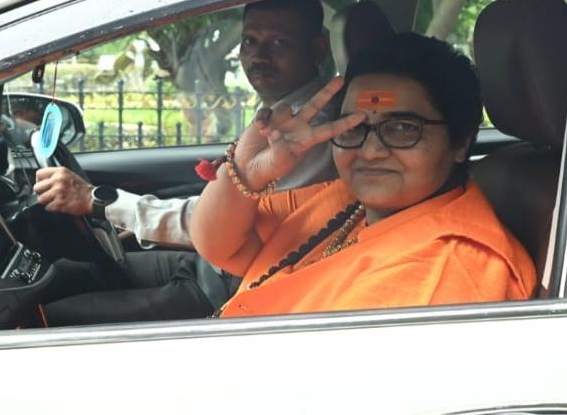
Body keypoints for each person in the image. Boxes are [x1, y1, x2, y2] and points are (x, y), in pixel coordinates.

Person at [32, 0, 339, 324]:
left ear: (318, 48)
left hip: (232, 286)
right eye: (250, 40)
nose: (259, 56)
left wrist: (100, 202)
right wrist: (133, 220)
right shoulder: (279, 110)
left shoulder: (310, 134)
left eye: (279, 43)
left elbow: (223, 224)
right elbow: (227, 202)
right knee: (62, 275)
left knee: (50, 318)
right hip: (211, 264)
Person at [191, 32, 535, 318]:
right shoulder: (347, 201)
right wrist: (248, 174)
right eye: (353, 127)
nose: (369, 151)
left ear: (460, 141)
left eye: (402, 128)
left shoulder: (441, 271)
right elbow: (222, 246)